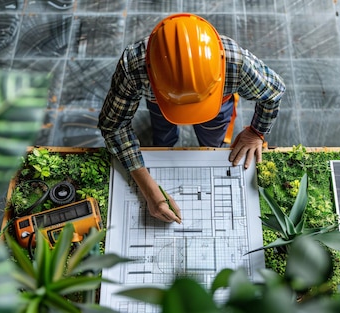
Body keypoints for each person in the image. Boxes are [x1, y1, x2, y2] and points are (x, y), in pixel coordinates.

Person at [98, 13, 285, 224]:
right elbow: (113, 125)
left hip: (217, 107)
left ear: (220, 66)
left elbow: (274, 92)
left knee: (212, 140)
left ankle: (209, 145)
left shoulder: (235, 62)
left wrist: (256, 132)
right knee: (163, 135)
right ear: (151, 72)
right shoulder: (134, 66)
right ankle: (165, 144)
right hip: (161, 107)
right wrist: (148, 188)